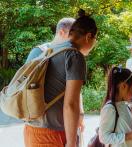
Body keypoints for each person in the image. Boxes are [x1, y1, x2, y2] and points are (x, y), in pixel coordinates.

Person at [24, 11, 97, 147]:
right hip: (51, 134)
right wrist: (71, 143)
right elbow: (70, 105)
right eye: (95, 40)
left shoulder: (52, 49)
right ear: (89, 36)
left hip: (32, 129)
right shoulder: (74, 55)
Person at [99, 67, 132, 147]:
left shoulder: (126, 107)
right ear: (123, 86)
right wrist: (128, 136)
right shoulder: (110, 108)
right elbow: (103, 137)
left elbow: (126, 134)